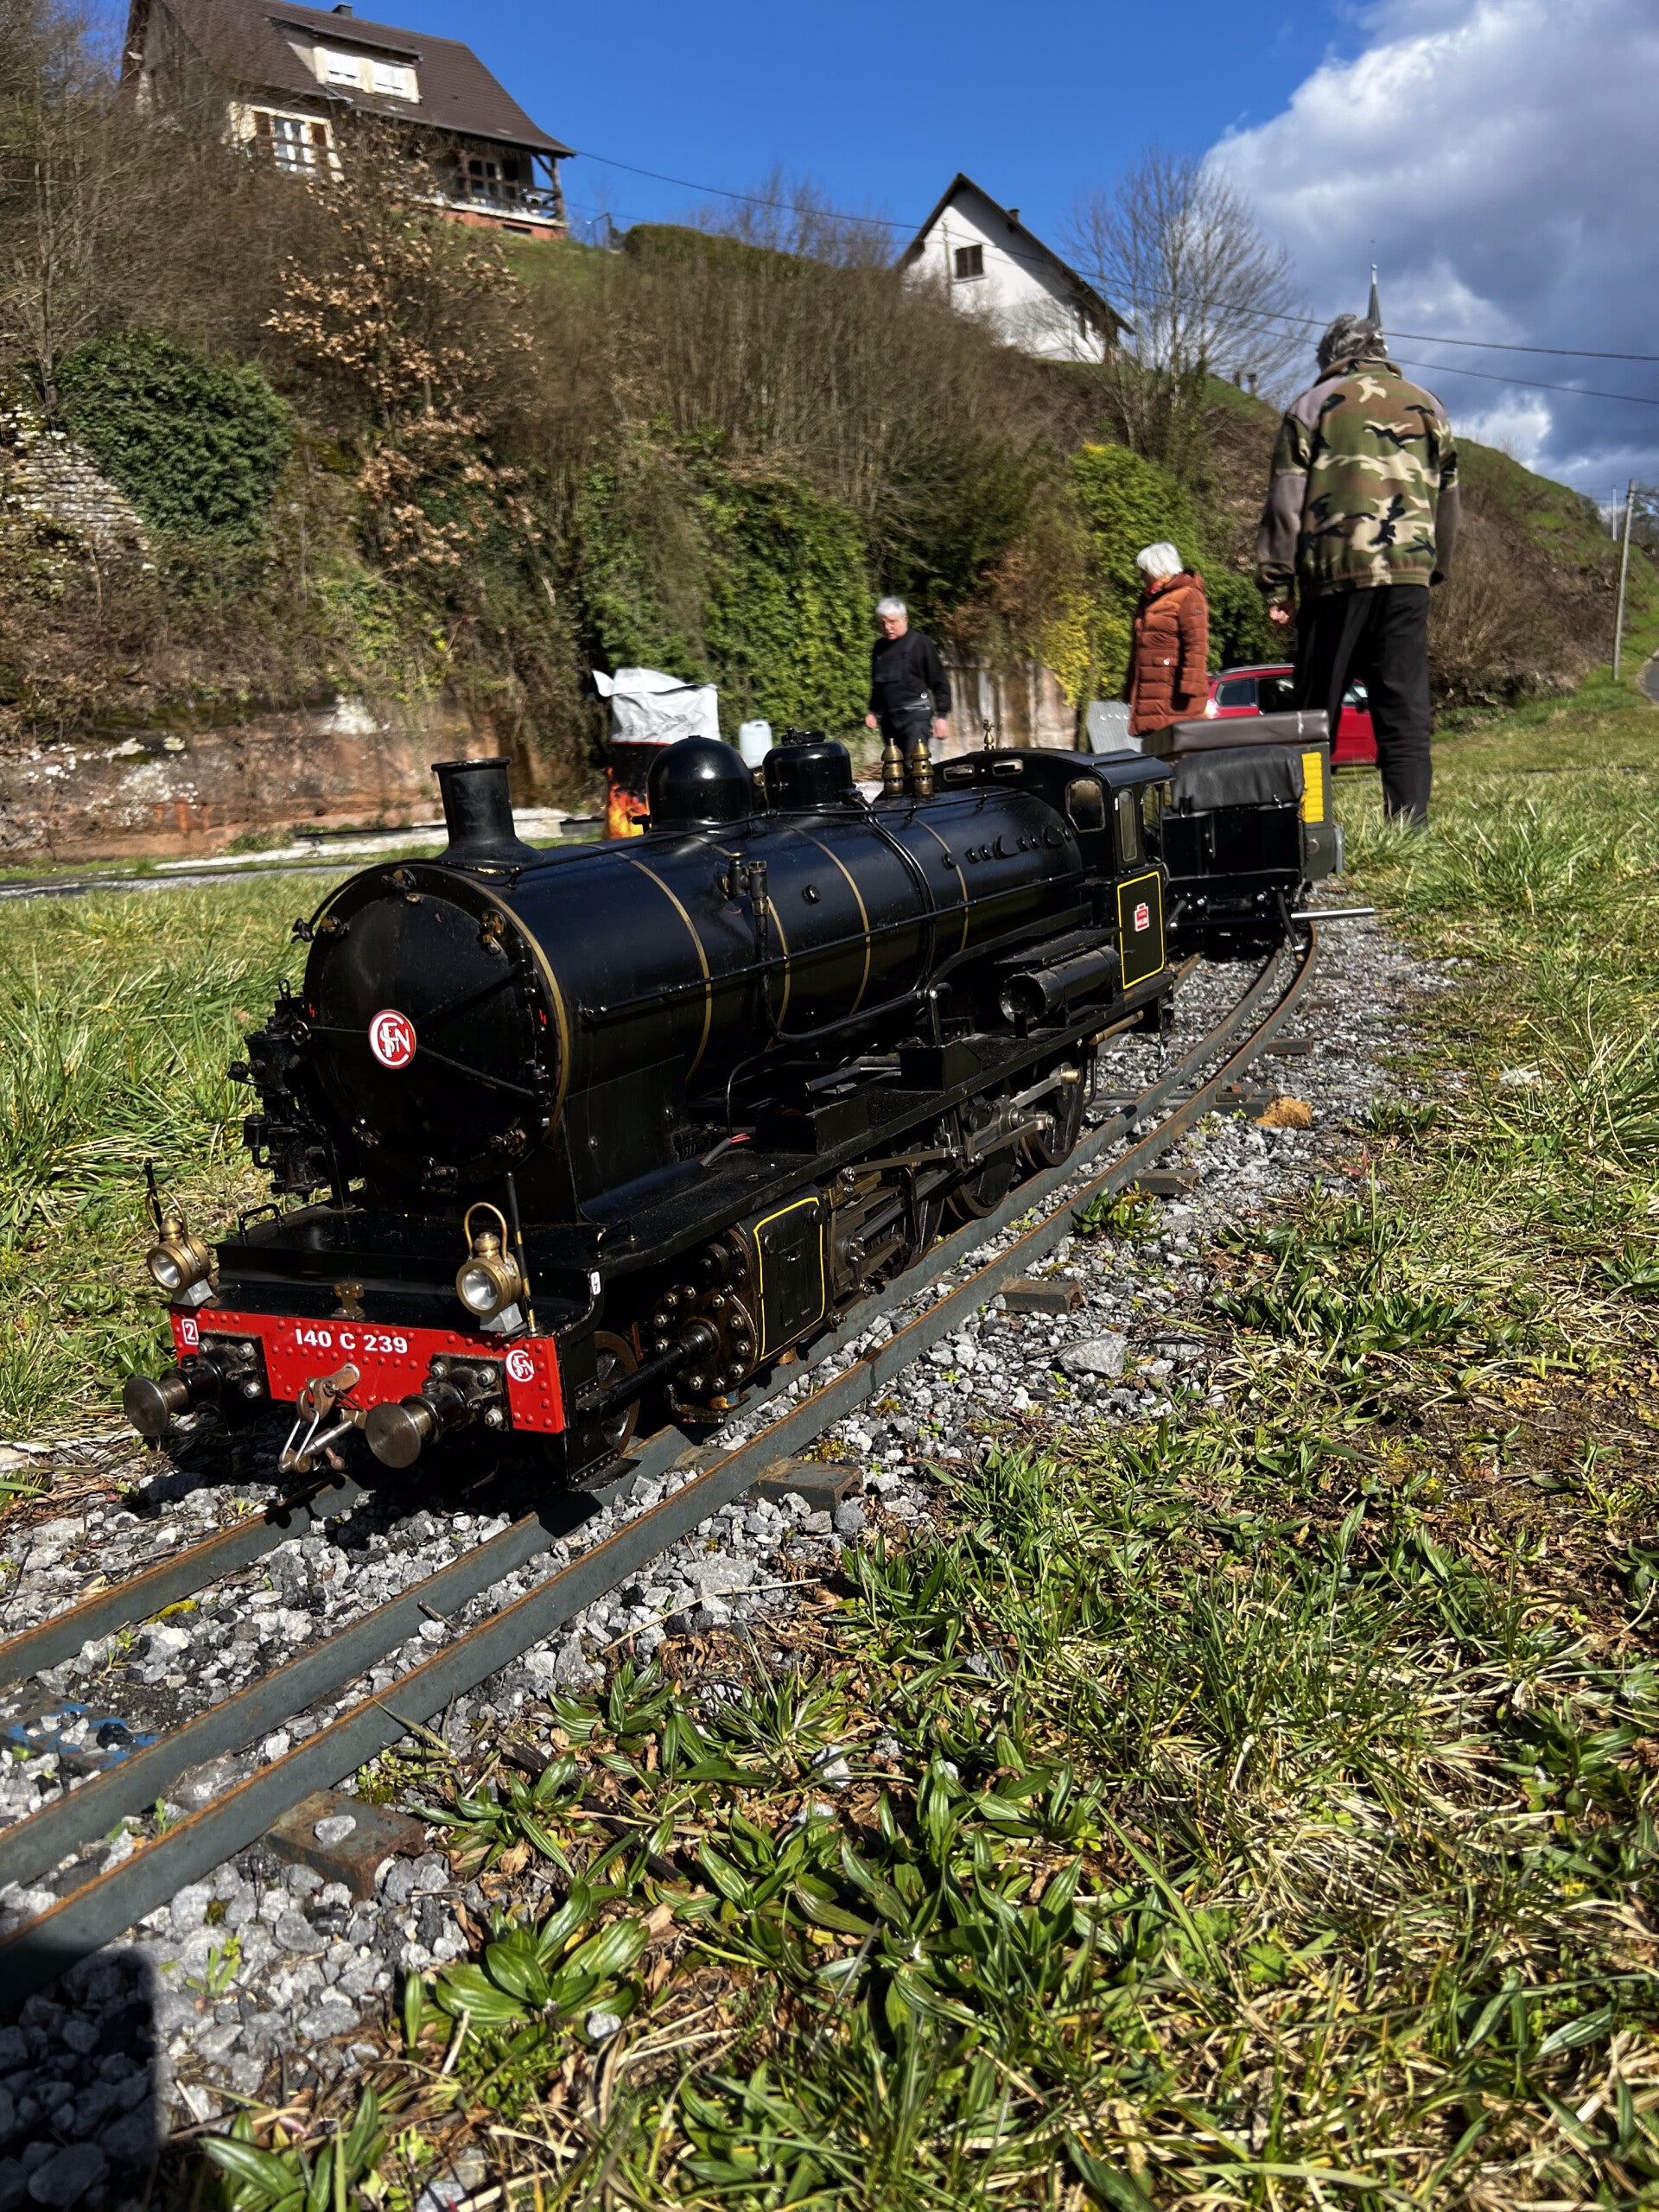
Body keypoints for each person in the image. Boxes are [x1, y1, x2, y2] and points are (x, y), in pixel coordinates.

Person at [1257, 312, 1459, 825]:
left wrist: (1277, 583)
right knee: (1404, 710)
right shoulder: (1430, 406)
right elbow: (1448, 496)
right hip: (1408, 577)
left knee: (1314, 714)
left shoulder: (1311, 405)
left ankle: (1309, 827)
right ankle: (1408, 829)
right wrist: (1434, 568)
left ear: (1332, 355)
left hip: (1334, 576)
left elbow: (1286, 499)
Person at [866, 596, 951, 791]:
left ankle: (922, 801)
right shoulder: (879, 648)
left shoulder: (921, 644)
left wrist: (942, 716)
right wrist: (873, 711)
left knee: (915, 765)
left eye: (892, 622)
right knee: (895, 769)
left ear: (904, 619)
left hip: (915, 717)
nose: (887, 627)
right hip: (890, 720)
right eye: (883, 623)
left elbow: (939, 682)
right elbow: (878, 685)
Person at [1127, 543, 1210, 736]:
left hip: (1175, 695)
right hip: (1151, 692)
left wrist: (1191, 686)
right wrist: (1130, 686)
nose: (1141, 577)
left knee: (1174, 745)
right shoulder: (1149, 600)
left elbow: (1197, 644)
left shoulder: (1189, 596)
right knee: (1153, 745)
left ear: (1158, 569)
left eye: (1145, 571)